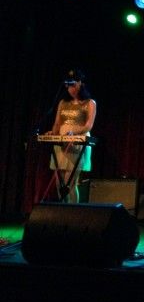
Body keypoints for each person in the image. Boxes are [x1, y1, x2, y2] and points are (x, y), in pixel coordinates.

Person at [48, 68, 97, 203]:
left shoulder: (90, 103)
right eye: (68, 85)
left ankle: (73, 213)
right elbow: (57, 123)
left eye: (73, 84)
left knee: (70, 182)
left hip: (77, 142)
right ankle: (63, 211)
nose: (70, 88)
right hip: (62, 142)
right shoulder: (63, 103)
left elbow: (88, 125)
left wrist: (74, 133)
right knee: (60, 184)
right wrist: (53, 133)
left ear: (80, 83)